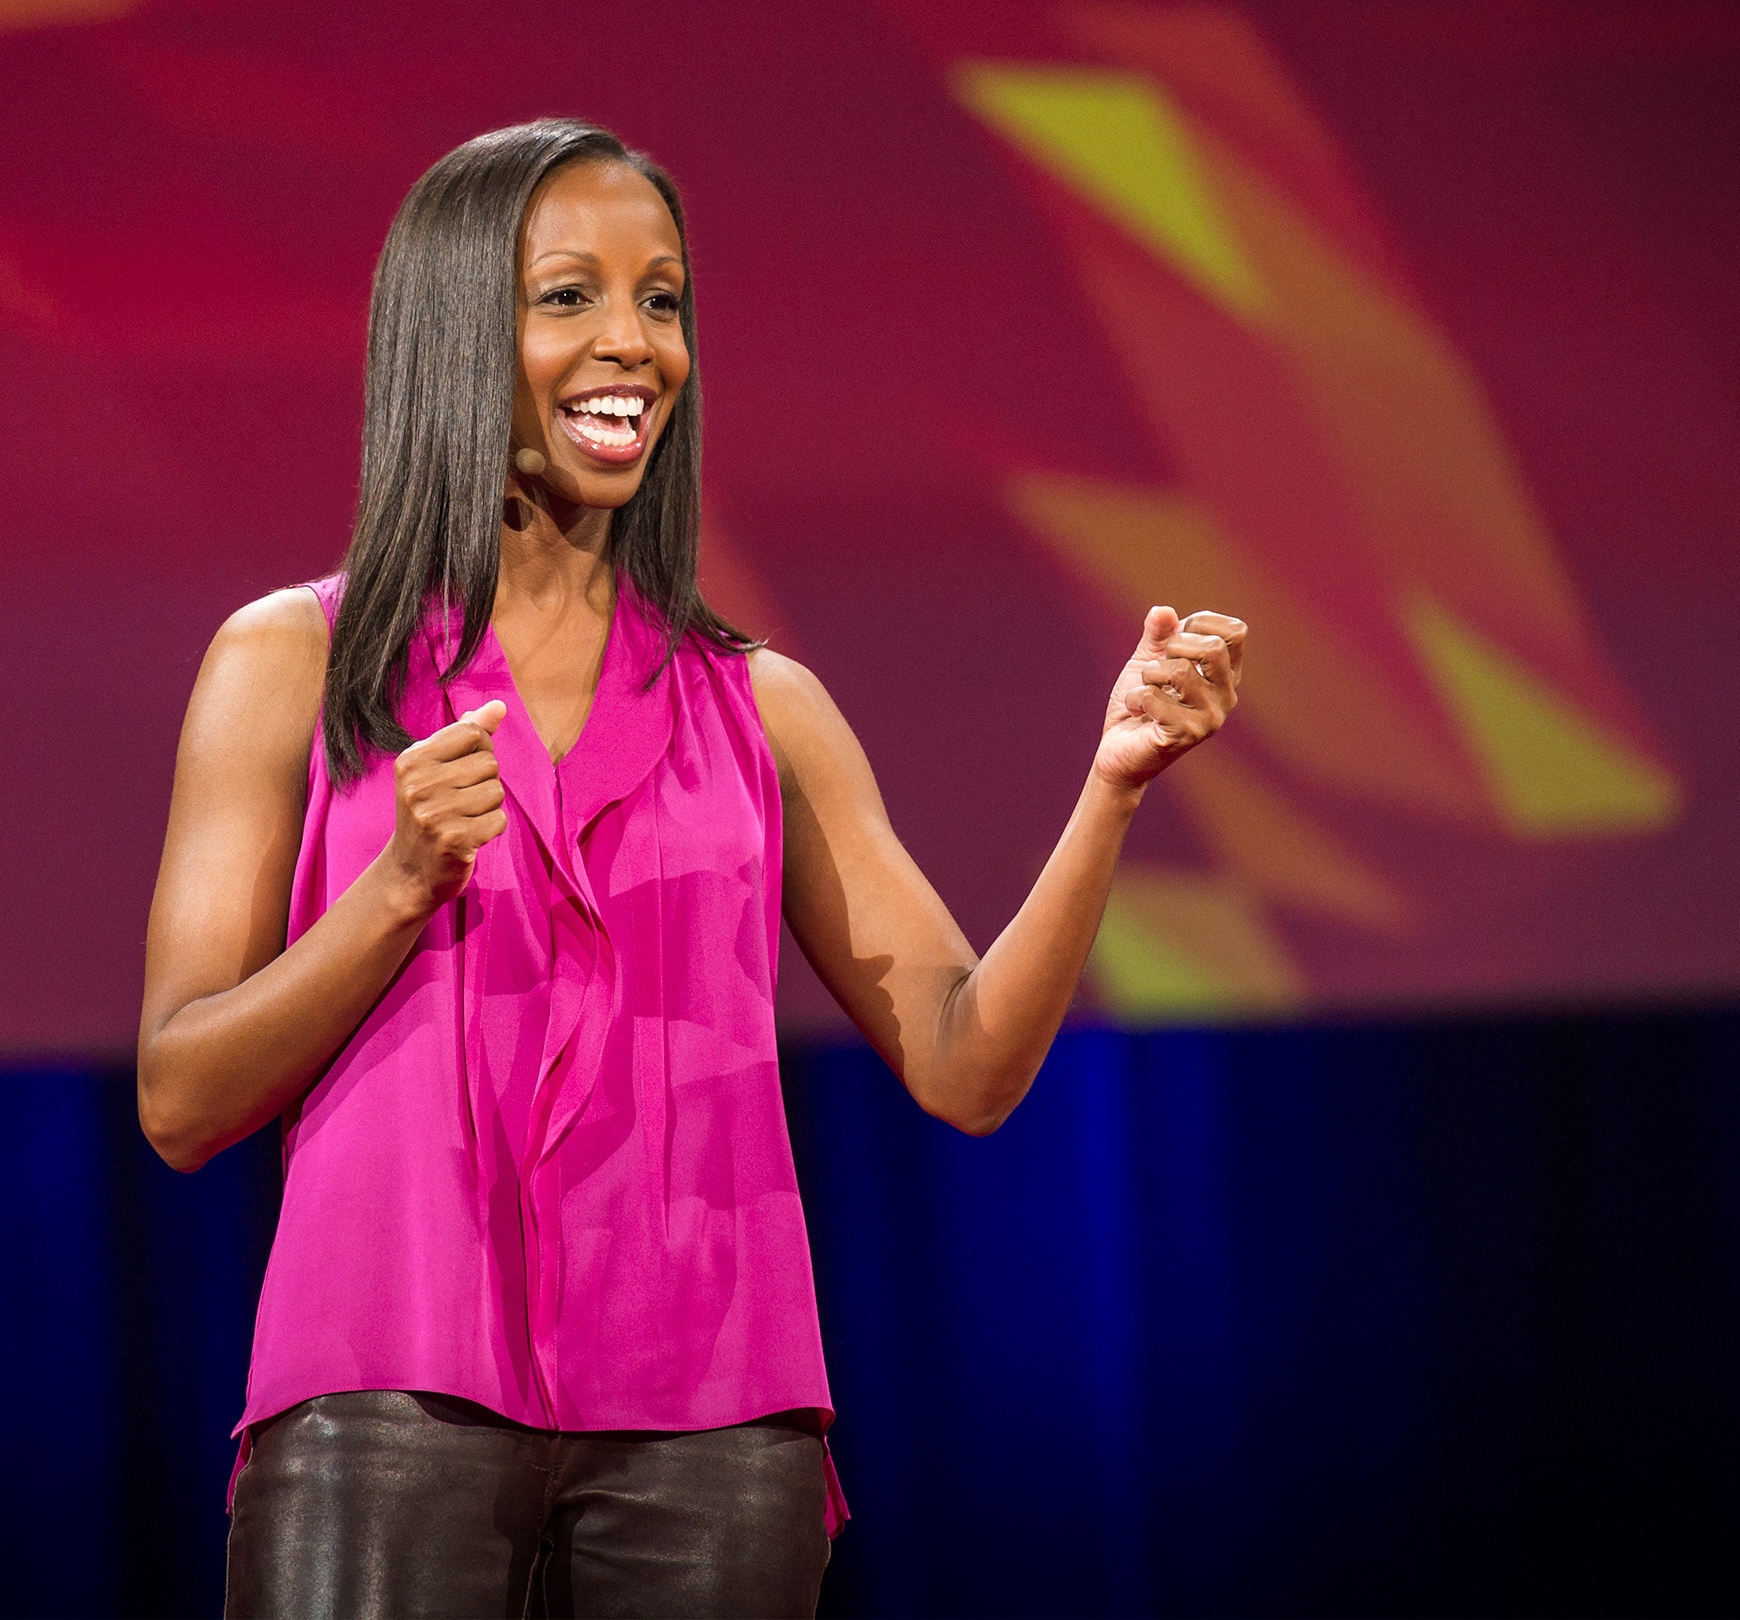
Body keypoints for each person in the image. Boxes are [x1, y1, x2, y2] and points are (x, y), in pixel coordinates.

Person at [138, 119, 1245, 1620]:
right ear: (457, 330)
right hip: (383, 1405)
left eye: (662, 301)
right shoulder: (294, 665)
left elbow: (968, 1065)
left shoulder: (760, 708)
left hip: (715, 1432)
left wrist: (1112, 790)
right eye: (569, 296)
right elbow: (183, 1098)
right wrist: (394, 886)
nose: (634, 345)